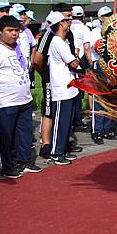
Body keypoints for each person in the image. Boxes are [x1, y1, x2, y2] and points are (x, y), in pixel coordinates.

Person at [0, 15, 42, 178]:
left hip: (25, 99)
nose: (14, 34)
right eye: (9, 30)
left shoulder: (20, 47)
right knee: (6, 136)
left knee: (24, 134)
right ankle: (7, 165)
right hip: (5, 101)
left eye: (16, 30)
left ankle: (24, 161)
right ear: (0, 31)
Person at [45, 11, 80, 165]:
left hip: (69, 86)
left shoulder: (62, 41)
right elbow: (74, 63)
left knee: (67, 122)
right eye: (67, 20)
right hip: (61, 88)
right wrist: (77, 58)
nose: (69, 22)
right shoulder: (57, 41)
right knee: (60, 122)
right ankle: (56, 152)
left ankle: (63, 149)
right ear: (61, 23)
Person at [89, 6, 114, 145]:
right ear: (100, 18)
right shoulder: (96, 32)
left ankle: (107, 128)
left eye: (110, 15)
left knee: (110, 100)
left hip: (111, 68)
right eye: (106, 15)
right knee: (99, 102)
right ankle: (97, 131)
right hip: (99, 67)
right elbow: (100, 48)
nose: (109, 17)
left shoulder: (113, 31)